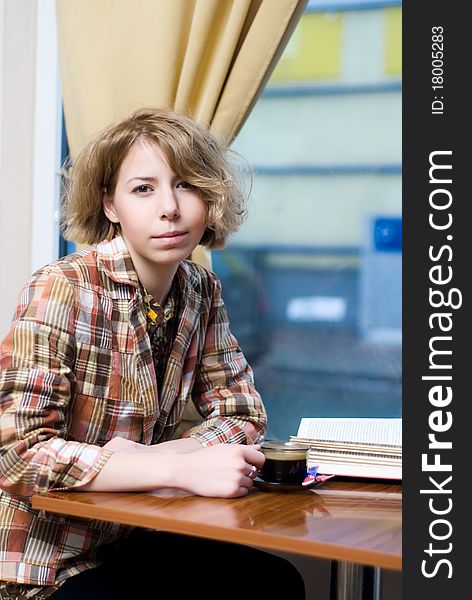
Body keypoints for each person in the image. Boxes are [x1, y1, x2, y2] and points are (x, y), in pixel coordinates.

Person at [0, 108, 305, 599]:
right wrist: (176, 469)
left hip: (133, 536)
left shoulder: (200, 288)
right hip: (45, 561)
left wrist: (158, 454)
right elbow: (19, 457)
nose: (170, 207)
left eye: (187, 185)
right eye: (143, 189)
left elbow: (242, 413)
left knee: (276, 582)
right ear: (110, 205)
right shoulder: (62, 286)